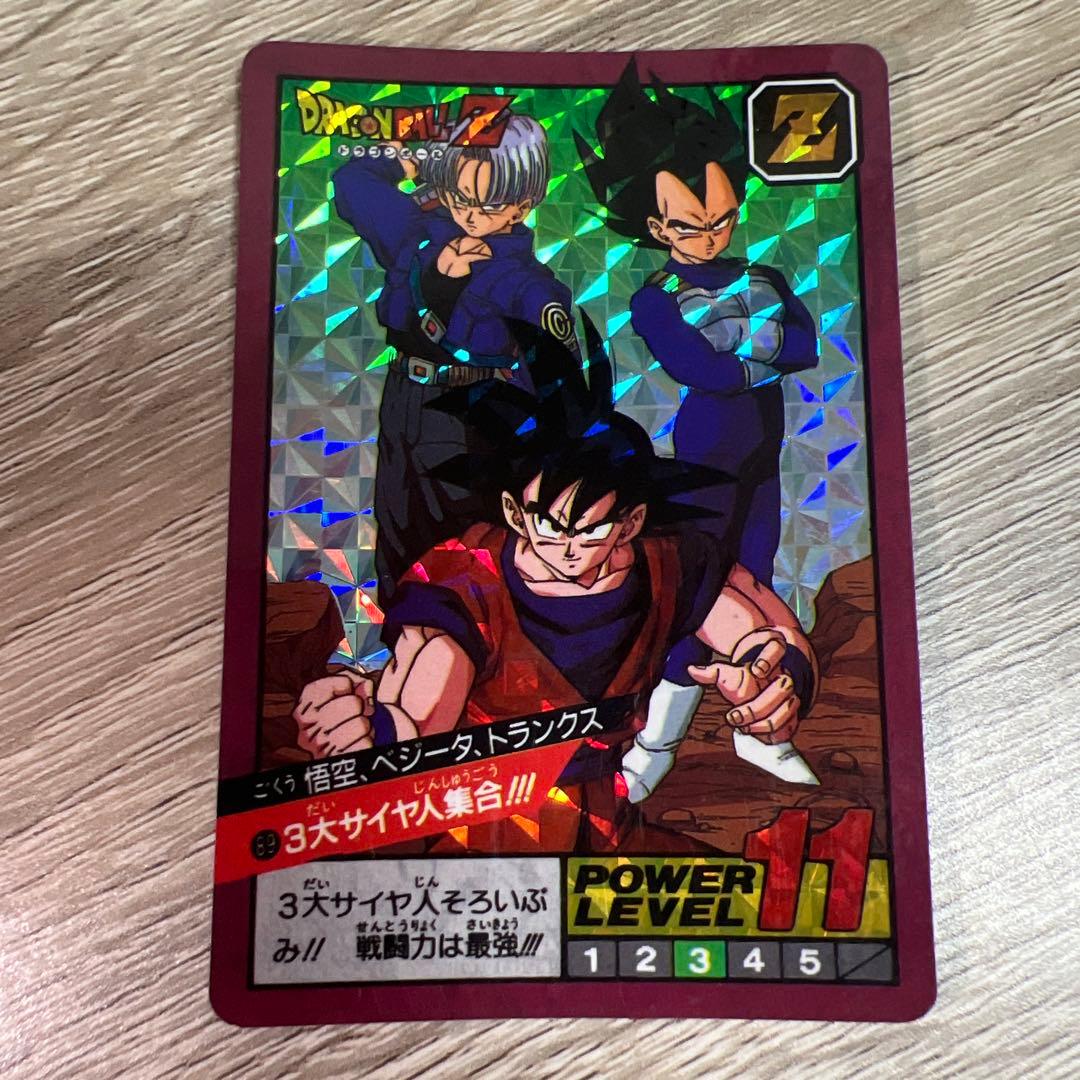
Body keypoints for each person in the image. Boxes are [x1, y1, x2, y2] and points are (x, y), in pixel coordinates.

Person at [293, 319, 818, 851]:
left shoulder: (670, 562)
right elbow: (422, 711)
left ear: (630, 523)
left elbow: (768, 633)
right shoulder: (463, 582)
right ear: (514, 512)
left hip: (605, 819)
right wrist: (368, 734)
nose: (567, 546)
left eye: (590, 529)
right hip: (479, 821)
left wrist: (776, 683)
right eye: (548, 523)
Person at [574, 61, 820, 760]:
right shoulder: (655, 296)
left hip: (763, 446)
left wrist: (742, 353)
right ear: (657, 226)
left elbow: (804, 345)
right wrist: (762, 350)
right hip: (707, 444)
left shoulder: (764, 275)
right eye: (690, 225)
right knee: (700, 585)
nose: (710, 235)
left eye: (721, 219)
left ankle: (756, 730)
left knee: (756, 570)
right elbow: (699, 369)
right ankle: (657, 743)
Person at [333, 113, 577, 603]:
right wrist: (412, 158)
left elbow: (558, 376)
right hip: (405, 396)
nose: (471, 214)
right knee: (398, 533)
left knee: (467, 547)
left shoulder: (528, 283)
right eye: (460, 196)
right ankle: (402, 639)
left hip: (475, 415)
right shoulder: (418, 233)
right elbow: (353, 182)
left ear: (522, 206)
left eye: (489, 203)